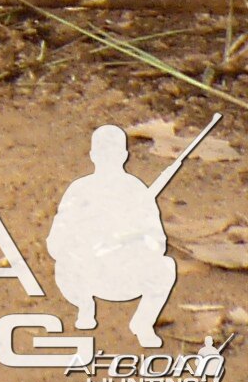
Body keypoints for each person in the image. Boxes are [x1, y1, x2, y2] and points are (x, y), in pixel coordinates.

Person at [50, 124, 182, 347]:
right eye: (103, 153)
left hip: (126, 273)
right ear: (93, 155)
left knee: (165, 266)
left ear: (123, 156)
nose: (107, 158)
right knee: (64, 265)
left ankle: (142, 323)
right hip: (87, 272)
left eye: (112, 153)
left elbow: (157, 241)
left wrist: (131, 239)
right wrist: (87, 243)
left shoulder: (136, 190)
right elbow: (57, 238)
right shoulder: (80, 189)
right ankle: (85, 307)